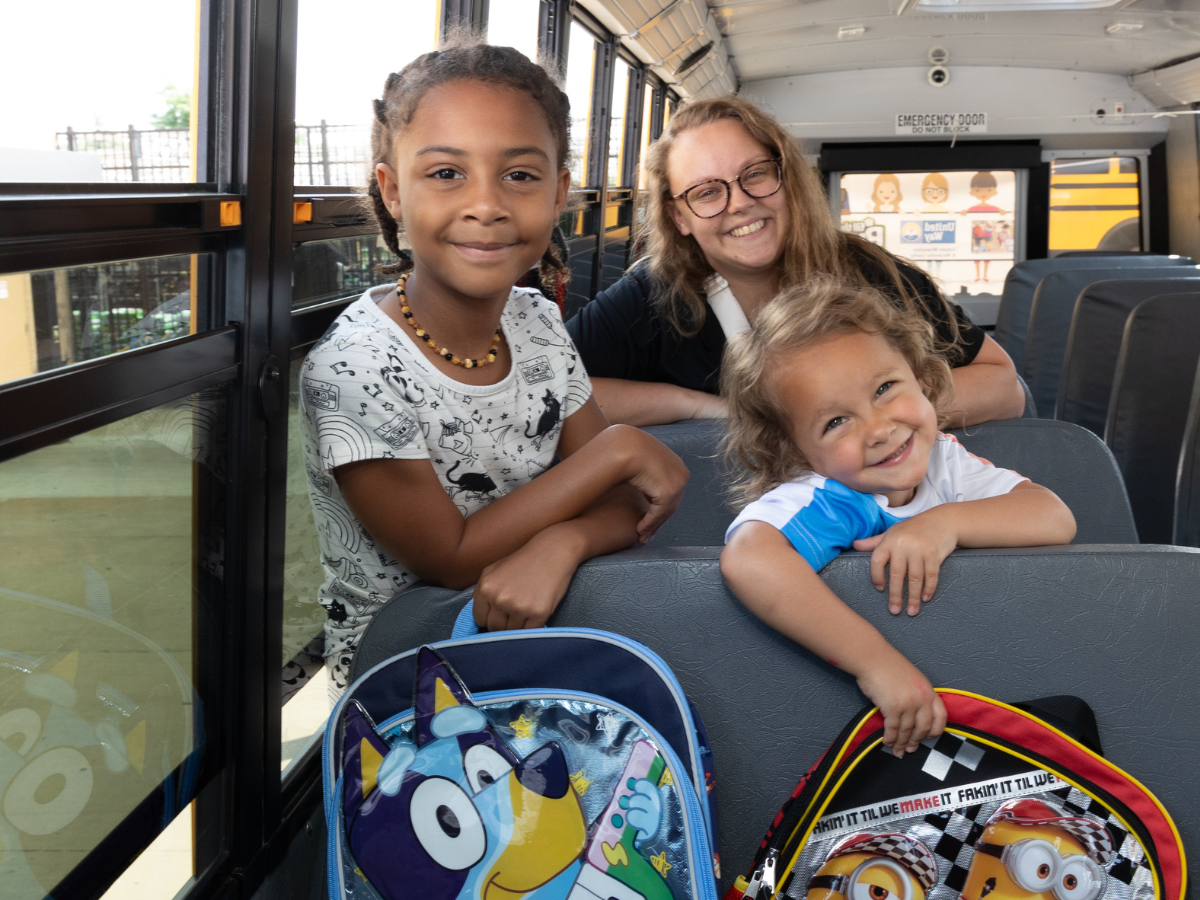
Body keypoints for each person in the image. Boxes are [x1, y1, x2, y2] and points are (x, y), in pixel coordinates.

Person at [300, 42, 688, 695]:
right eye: (447, 173)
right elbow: (450, 560)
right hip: (405, 686)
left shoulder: (533, 321)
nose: (487, 205)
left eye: (520, 176)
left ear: (559, 192)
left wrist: (561, 545)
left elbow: (626, 503)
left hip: (541, 644)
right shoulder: (355, 367)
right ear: (392, 191)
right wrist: (617, 450)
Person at [719, 278, 1075, 755]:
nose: (880, 429)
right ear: (797, 452)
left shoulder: (944, 462)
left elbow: (1053, 516)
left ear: (921, 376)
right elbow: (748, 559)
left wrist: (941, 524)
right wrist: (876, 664)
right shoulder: (830, 497)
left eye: (885, 388)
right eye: (836, 422)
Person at [566, 96, 1025, 428]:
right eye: (707, 192)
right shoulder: (651, 295)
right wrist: (692, 405)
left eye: (755, 175)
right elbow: (554, 395)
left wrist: (869, 419)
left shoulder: (869, 273)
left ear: (786, 178)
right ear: (678, 216)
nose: (739, 203)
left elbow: (1004, 387)